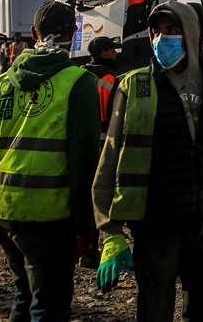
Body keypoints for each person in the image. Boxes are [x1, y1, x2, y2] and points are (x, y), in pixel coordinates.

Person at [92, 0, 203, 322]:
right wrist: (110, 231)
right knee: (154, 304)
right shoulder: (135, 85)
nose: (163, 38)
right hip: (153, 222)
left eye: (172, 30)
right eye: (157, 31)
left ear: (190, 34)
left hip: (202, 220)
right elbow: (110, 158)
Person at [0, 2, 100, 322]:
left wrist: (2, 200)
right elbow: (83, 161)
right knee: (49, 304)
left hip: (3, 211)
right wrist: (86, 226)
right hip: (49, 217)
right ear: (74, 34)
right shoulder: (78, 83)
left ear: (33, 33)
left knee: (25, 293)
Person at [79, 36, 120, 270]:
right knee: (101, 197)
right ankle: (98, 249)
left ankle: (83, 249)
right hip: (102, 142)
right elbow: (111, 116)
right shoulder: (109, 78)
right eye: (113, 51)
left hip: (78, 142)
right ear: (105, 54)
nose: (116, 54)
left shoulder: (79, 74)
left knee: (81, 196)